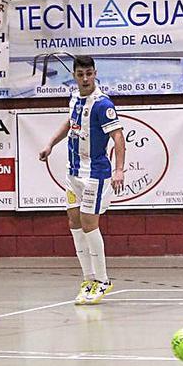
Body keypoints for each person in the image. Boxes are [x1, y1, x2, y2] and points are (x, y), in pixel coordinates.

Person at [39, 54, 126, 305]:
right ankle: (88, 278)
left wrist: (119, 170)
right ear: (75, 75)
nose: (85, 78)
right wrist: (50, 144)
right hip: (73, 172)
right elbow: (70, 123)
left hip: (94, 174)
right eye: (80, 74)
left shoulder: (102, 105)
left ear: (95, 73)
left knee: (89, 223)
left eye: (89, 73)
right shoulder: (75, 98)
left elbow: (118, 138)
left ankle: (102, 280)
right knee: (74, 221)